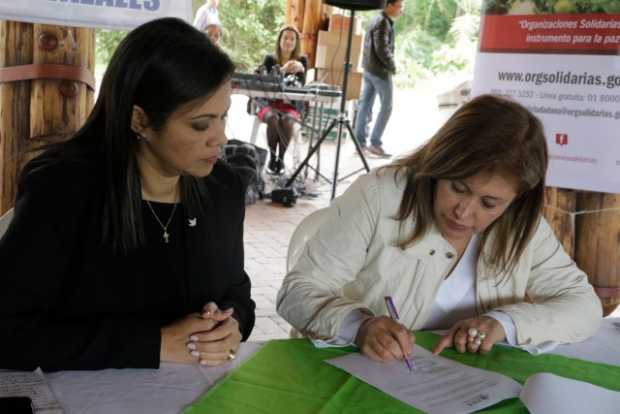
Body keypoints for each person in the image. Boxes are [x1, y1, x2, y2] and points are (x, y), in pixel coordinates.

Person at [0, 18, 255, 371]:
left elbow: (237, 293)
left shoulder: (222, 189)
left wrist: (231, 325)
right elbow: (8, 331)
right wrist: (153, 343)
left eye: (223, 117)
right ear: (140, 121)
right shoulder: (63, 189)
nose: (221, 138)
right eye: (201, 124)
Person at [277, 95, 602, 364]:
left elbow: (583, 305)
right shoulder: (380, 195)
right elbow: (297, 292)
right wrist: (359, 326)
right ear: (438, 166)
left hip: (462, 389)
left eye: (489, 203)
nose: (464, 212)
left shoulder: (521, 225)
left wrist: (504, 324)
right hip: (348, 375)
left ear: (517, 199)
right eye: (458, 187)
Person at [254, 25, 307, 175]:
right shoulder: (270, 59)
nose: (288, 41)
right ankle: (272, 158)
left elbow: (301, 86)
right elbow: (265, 83)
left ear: (296, 42)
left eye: (292, 39)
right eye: (285, 38)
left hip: (291, 106)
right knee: (273, 118)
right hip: (269, 104)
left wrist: (301, 70)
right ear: (279, 40)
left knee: (288, 121)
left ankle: (281, 160)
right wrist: (283, 69)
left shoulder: (302, 60)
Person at [353, 0, 403, 158]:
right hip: (379, 72)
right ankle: (375, 143)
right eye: (399, 6)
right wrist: (392, 66)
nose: (401, 10)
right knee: (387, 106)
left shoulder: (378, 18)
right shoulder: (382, 22)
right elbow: (382, 49)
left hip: (369, 69)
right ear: (389, 5)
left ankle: (359, 143)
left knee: (364, 105)